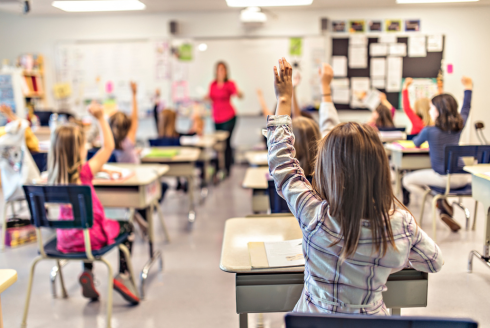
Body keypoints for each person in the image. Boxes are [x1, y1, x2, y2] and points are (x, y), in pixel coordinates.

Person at [268, 57, 443, 315]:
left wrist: (283, 99)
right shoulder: (400, 224)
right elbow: (434, 262)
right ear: (379, 170)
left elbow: (282, 165)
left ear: (326, 169)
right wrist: (395, 255)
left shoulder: (314, 215)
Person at [48, 102, 140, 305]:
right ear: (79, 150)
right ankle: (123, 276)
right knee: (127, 226)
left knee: (81, 227)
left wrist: (104, 169)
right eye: (83, 145)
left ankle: (87, 272)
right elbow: (108, 146)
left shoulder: (52, 179)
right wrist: (100, 118)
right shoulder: (85, 172)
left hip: (65, 240)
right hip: (93, 237)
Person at [402, 77, 473, 232]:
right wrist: (469, 88)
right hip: (464, 177)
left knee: (407, 180)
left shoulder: (429, 131)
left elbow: (415, 143)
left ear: (438, 111)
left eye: (432, 108)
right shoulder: (459, 126)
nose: (429, 111)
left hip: (443, 178)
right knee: (430, 179)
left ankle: (439, 205)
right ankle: (441, 202)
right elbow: (466, 108)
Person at [207, 61, 243, 177]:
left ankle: (227, 169)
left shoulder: (229, 84)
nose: (220, 72)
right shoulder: (212, 84)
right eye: (218, 69)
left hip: (229, 117)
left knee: (227, 143)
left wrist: (239, 93)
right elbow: (210, 98)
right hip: (216, 118)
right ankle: (217, 167)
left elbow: (238, 94)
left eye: (223, 69)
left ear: (226, 71)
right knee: (217, 144)